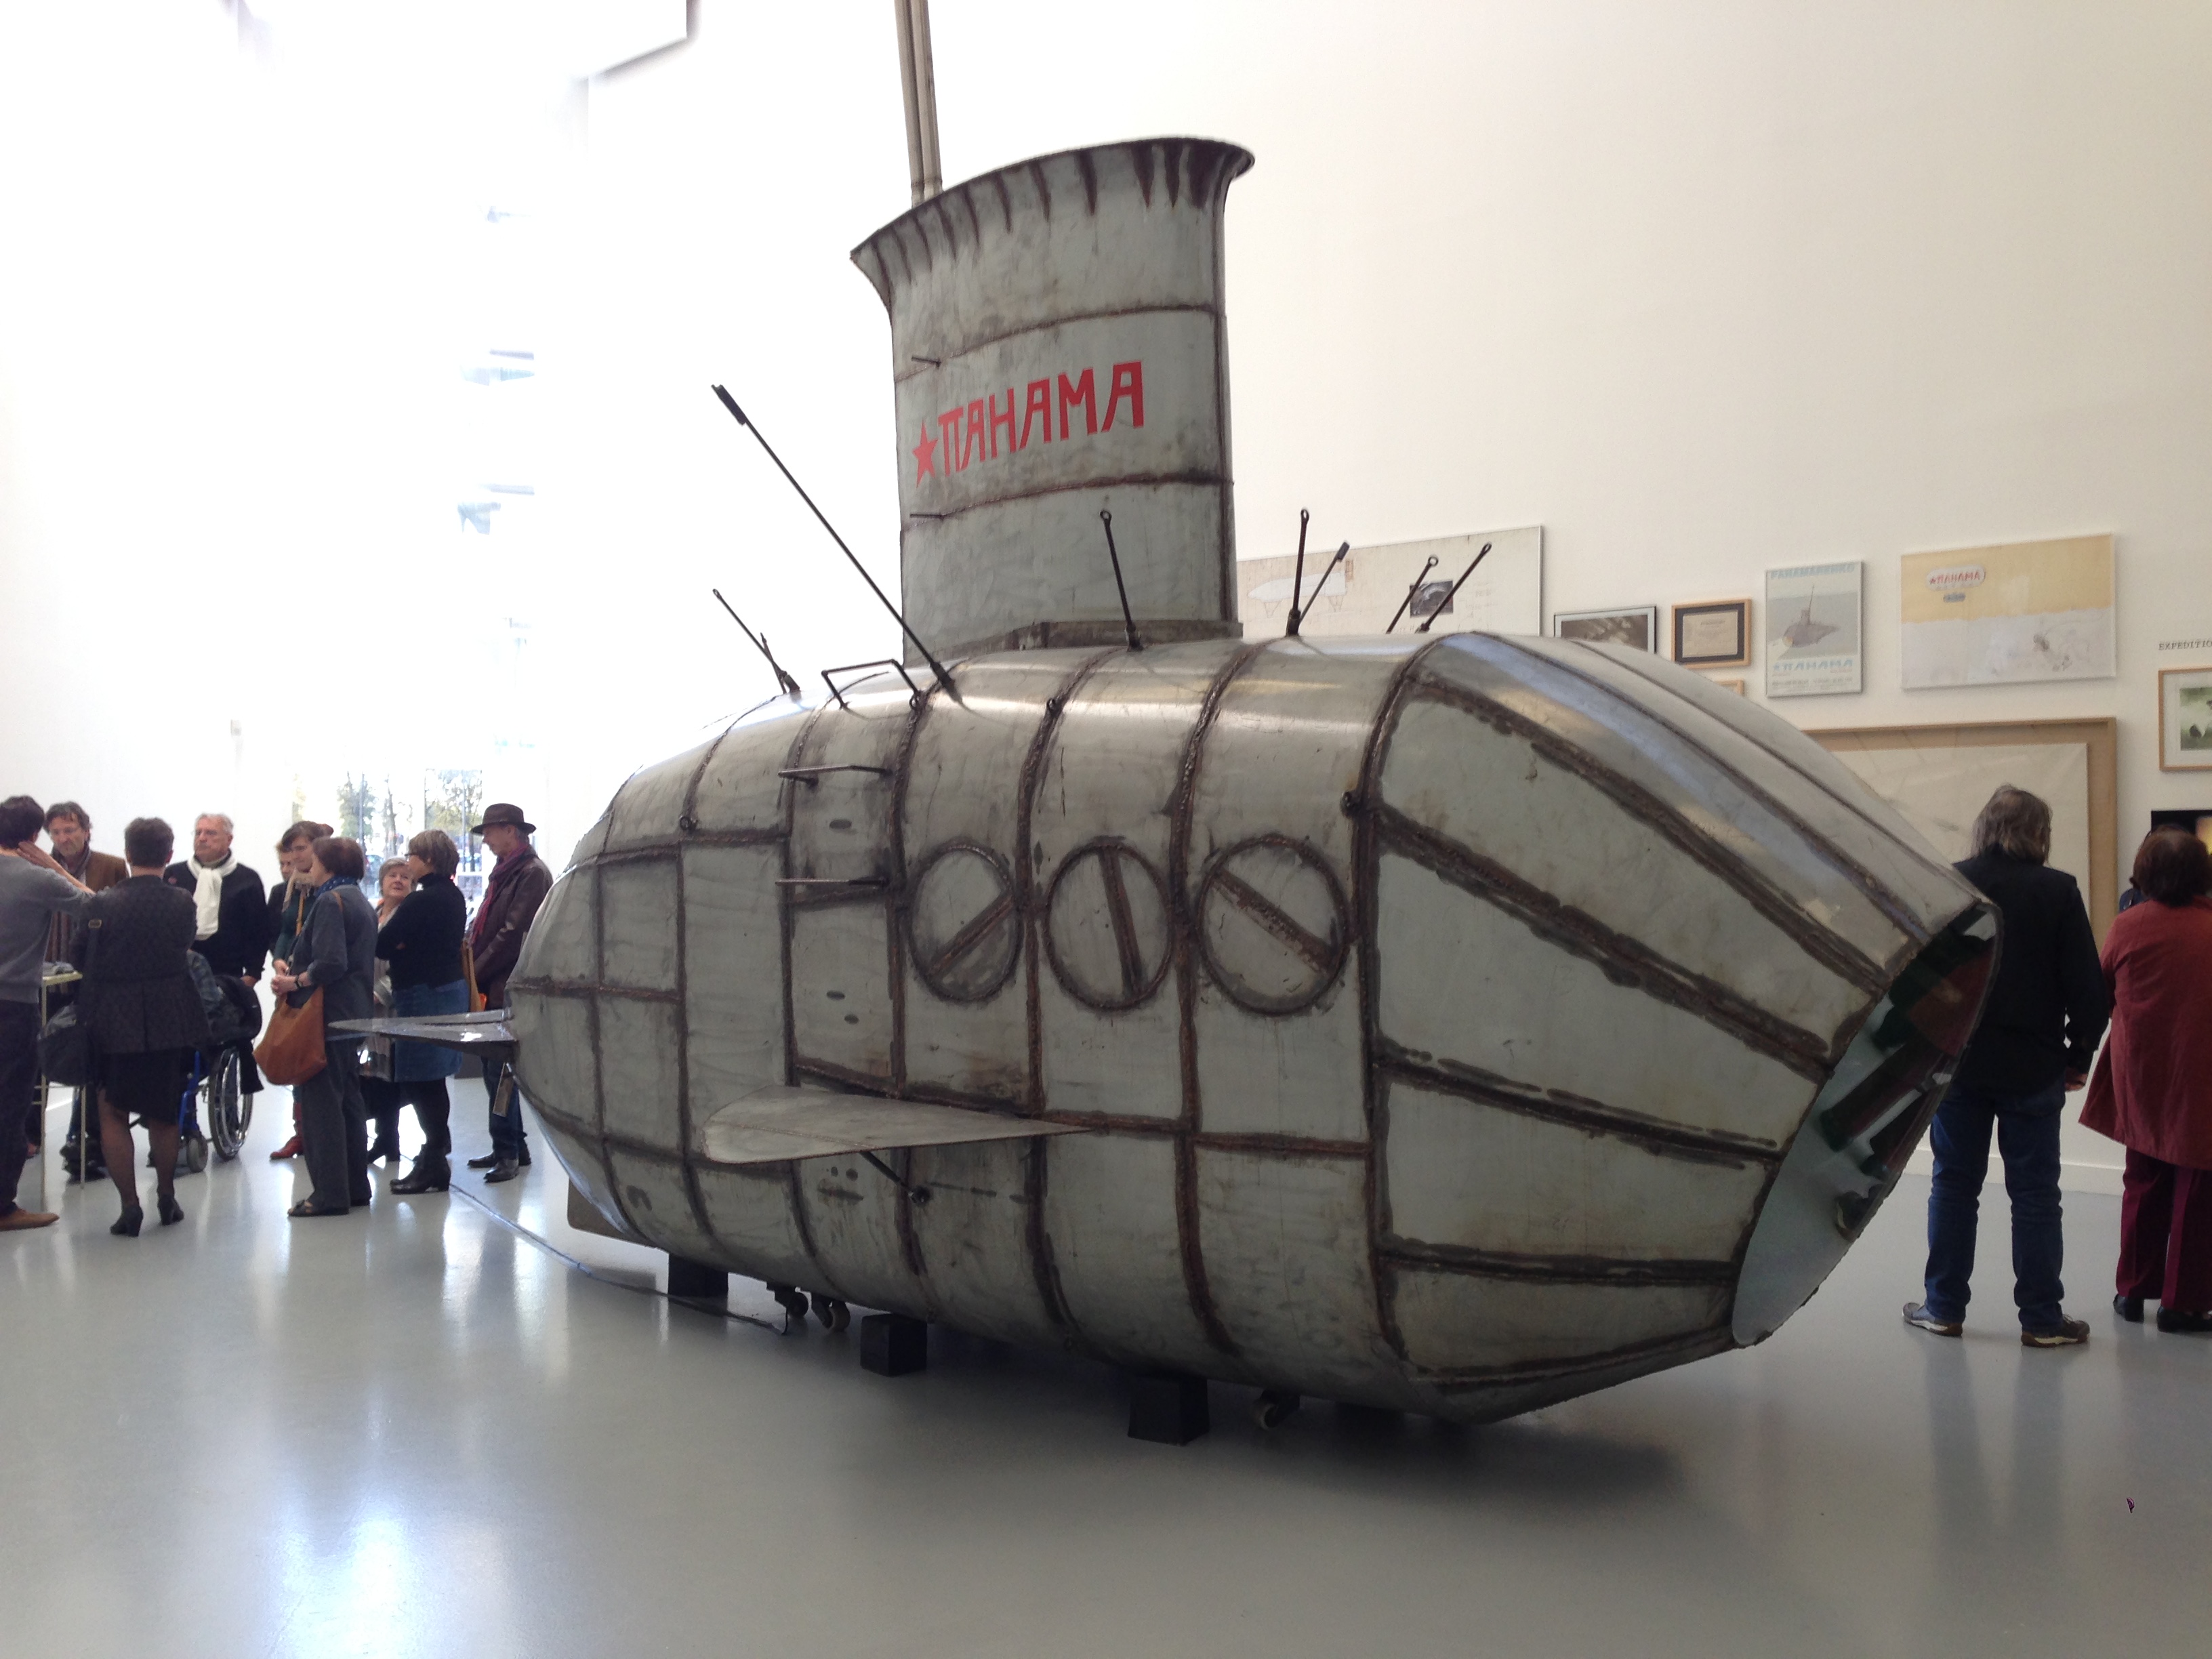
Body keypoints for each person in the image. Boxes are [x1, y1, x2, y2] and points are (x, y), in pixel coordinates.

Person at [1905, 786, 2109, 1347]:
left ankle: (1943, 1308)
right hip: (2034, 1066)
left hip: (1960, 1065)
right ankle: (2042, 1319)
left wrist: (1928, 1050)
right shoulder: (2058, 891)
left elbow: (1922, 981)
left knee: (1953, 1186)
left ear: (1984, 827)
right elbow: (2088, 991)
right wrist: (2078, 1056)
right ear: (2039, 833)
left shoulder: (1954, 885)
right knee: (2037, 1195)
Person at [2081, 829, 2212, 1334]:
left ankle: (2131, 1291)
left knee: (2142, 1180)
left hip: (2140, 1073)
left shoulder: (2127, 925)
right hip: (2200, 1075)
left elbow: (2101, 992)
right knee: (2198, 1188)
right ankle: (2184, 1304)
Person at [79, 817, 211, 1235]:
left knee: (112, 1112)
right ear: (169, 855)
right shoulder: (182, 902)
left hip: (113, 1019)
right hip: (168, 1016)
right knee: (164, 1114)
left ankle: (129, 1206)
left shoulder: (101, 904)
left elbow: (81, 957)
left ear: (128, 855)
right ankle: (167, 1196)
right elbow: (185, 946)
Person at [270, 836, 377, 1218]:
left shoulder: (331, 902)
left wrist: (294, 982)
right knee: (348, 1102)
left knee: (321, 1108)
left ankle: (329, 1194)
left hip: (327, 1017)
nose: (307, 867)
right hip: (353, 1014)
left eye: (313, 861)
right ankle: (354, 1186)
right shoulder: (359, 899)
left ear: (328, 865)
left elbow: (331, 963)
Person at [0, 795, 94, 1231]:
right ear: (35, 836)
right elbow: (99, 908)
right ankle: (3, 1207)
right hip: (12, 1005)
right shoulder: (37, 878)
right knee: (9, 1105)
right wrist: (56, 868)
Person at [377, 830, 470, 1195]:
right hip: (447, 989)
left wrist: (402, 943)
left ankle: (433, 1160)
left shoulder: (421, 900)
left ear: (428, 860)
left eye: (412, 855)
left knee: (421, 1078)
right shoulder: (453, 895)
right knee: (433, 1077)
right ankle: (435, 1158)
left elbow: (383, 944)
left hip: (422, 993)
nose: (408, 862)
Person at [466, 803, 551, 1184]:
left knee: (499, 1071)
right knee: (495, 1070)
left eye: (489, 831)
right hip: (498, 985)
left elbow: (513, 934)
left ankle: (507, 1151)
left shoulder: (530, 874)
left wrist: (475, 971)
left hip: (508, 987)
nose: (485, 839)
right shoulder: (509, 873)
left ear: (510, 831)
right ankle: (514, 1144)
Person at [263, 819, 331, 1162]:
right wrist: (278, 960)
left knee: (318, 1058)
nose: (294, 858)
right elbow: (283, 931)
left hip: (317, 982)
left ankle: (323, 1134)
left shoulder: (328, 889)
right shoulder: (288, 890)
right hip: (291, 979)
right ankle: (301, 1133)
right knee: (295, 1052)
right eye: (290, 851)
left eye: (300, 849)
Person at [164, 813, 272, 987]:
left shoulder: (247, 879)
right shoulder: (174, 875)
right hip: (178, 974)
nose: (202, 838)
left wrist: (252, 975)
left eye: (210, 833)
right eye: (198, 832)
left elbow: (259, 931)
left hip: (229, 976)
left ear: (229, 839)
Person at [361, 855, 417, 1166]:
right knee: (376, 1077)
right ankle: (384, 1140)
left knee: (396, 1077)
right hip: (367, 1010)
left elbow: (407, 964)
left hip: (395, 1006)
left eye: (405, 877)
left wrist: (380, 993)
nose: (398, 881)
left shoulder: (411, 916)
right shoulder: (372, 914)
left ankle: (395, 1140)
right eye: (392, 875)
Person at [42, 801, 128, 966]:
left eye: (69, 831)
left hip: (98, 962)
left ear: (87, 832)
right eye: (55, 833)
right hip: (49, 965)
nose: (62, 839)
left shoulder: (112, 866)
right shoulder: (40, 868)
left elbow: (124, 917)